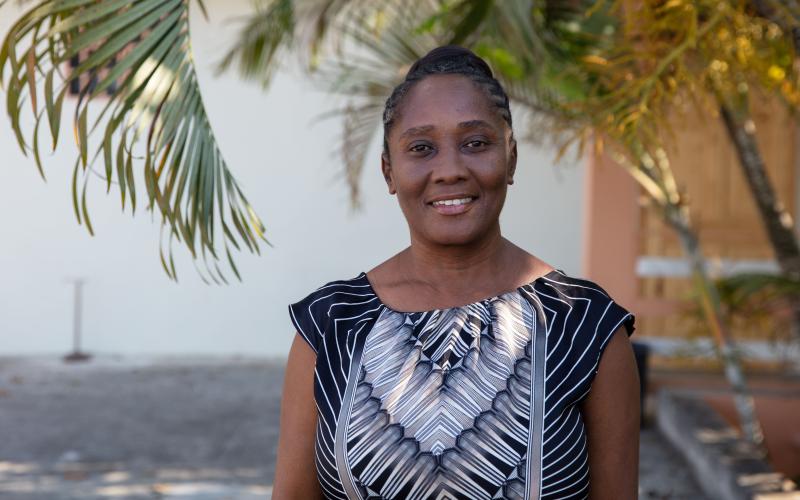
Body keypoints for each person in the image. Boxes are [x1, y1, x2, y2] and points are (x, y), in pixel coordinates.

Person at [272, 45, 639, 500]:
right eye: (421, 148)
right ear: (389, 171)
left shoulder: (583, 324)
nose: (449, 170)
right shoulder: (331, 324)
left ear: (512, 158)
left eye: (475, 143)